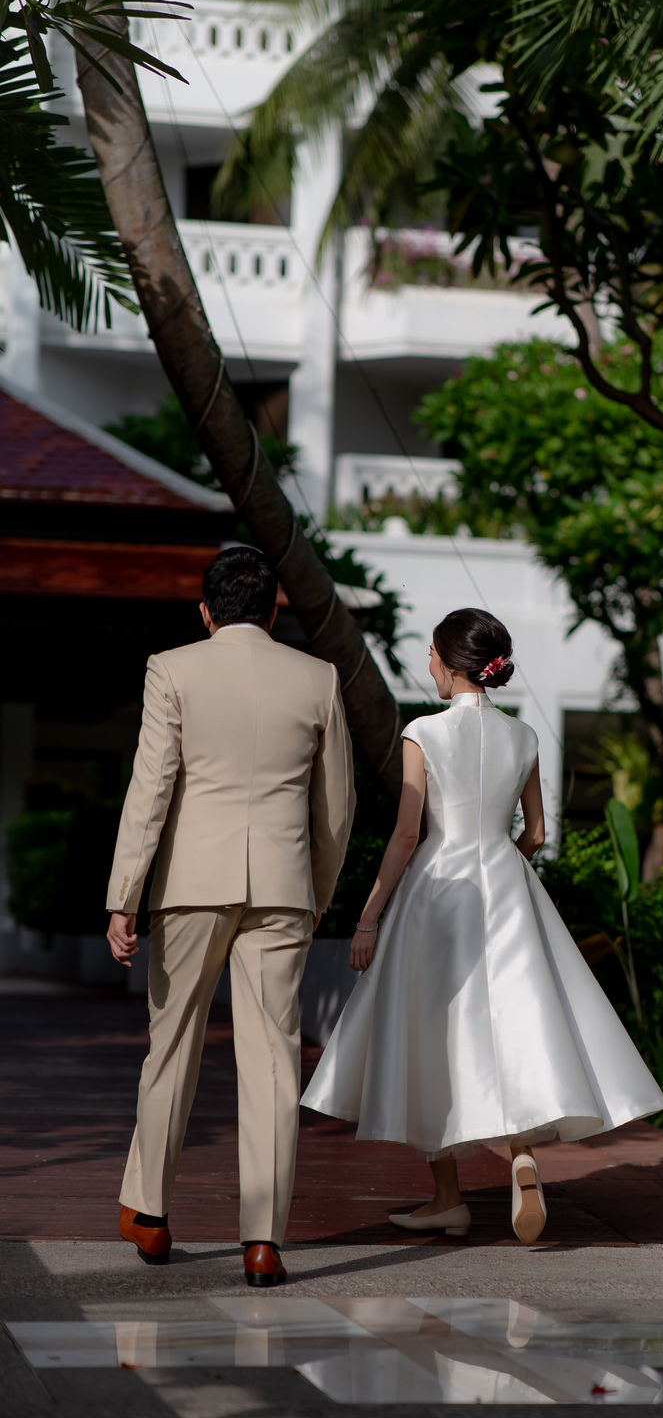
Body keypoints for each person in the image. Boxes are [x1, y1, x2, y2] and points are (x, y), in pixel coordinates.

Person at [301, 607, 663, 1244]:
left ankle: (448, 1198)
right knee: (512, 1027)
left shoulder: (423, 732)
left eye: (432, 657)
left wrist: (367, 917)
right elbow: (538, 834)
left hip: (437, 893)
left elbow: (408, 834)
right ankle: (522, 1158)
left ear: (447, 661)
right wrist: (505, 867)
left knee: (432, 1032)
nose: (429, 668)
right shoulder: (522, 737)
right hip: (507, 888)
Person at [104, 547, 354, 1287]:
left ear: (204, 610)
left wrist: (125, 893)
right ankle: (263, 1241)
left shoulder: (173, 668)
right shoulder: (318, 677)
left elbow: (151, 789)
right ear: (275, 609)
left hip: (189, 884)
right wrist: (317, 891)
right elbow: (336, 807)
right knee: (275, 1060)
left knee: (171, 1044)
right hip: (281, 888)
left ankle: (149, 1214)